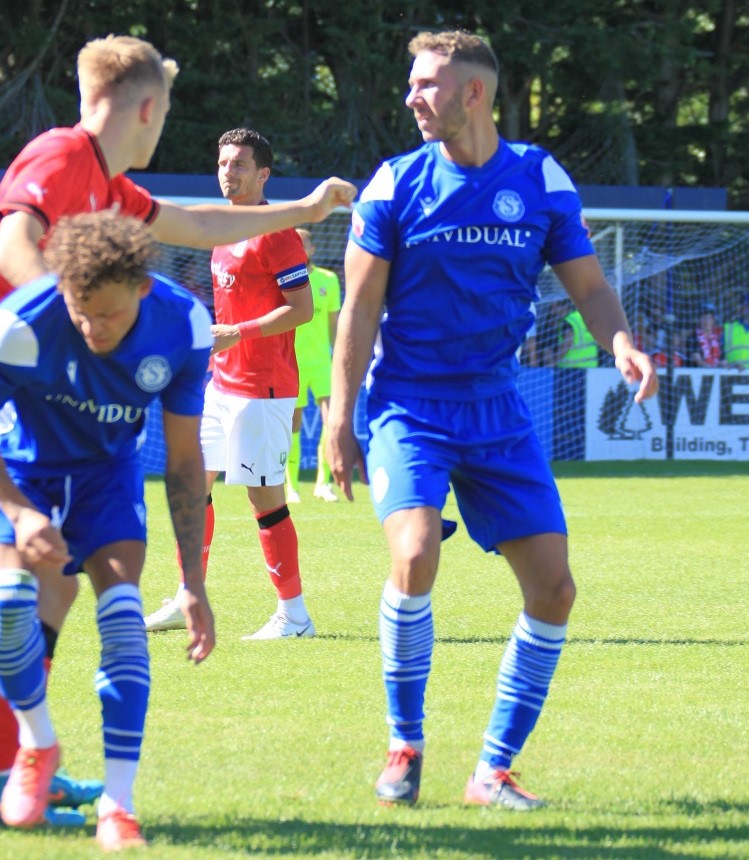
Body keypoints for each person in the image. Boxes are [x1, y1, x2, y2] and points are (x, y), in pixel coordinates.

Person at [0, 34, 355, 829]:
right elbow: (15, 242)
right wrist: (72, 330)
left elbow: (197, 222)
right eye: (168, 111)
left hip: (4, 378)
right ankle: (16, 765)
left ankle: (7, 772)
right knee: (21, 590)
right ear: (148, 108)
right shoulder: (61, 152)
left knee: (48, 589)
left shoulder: (107, 181)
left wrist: (309, 208)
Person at [326, 29, 658, 811]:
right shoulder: (391, 185)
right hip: (409, 404)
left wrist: (619, 342)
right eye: (411, 83)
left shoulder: (538, 178)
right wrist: (340, 416)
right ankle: (403, 747)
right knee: (412, 554)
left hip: (498, 410)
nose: (412, 96)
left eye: (427, 83)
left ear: (473, 92)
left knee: (553, 590)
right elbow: (357, 310)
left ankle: (491, 772)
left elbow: (587, 284)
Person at [0, 210, 215, 851]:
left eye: (109, 315)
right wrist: (18, 510)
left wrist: (193, 583)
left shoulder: (184, 326)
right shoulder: (22, 323)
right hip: (18, 471)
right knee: (8, 608)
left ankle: (119, 806)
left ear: (144, 290)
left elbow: (181, 461)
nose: (92, 327)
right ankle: (38, 744)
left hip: (105, 477)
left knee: (122, 616)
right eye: (80, 312)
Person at [145, 128, 317, 640]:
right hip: (222, 385)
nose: (228, 172)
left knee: (265, 501)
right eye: (223, 163)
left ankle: (295, 615)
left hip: (263, 388)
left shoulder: (277, 232)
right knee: (190, 487)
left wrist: (235, 333)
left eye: (240, 164)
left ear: (264, 174)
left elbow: (302, 310)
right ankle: (186, 596)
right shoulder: (223, 229)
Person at [284, 227, 342, 504]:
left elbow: (334, 327)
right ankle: (291, 487)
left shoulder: (328, 280)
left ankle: (323, 483)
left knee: (332, 422)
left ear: (312, 249)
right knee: (293, 425)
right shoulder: (282, 279)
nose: (300, 248)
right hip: (292, 364)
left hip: (322, 363)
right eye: (295, 243)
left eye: (304, 243)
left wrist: (342, 359)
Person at [687, 303, 723, 367]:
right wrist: (708, 368)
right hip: (695, 375)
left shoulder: (717, 338)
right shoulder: (693, 338)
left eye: (709, 318)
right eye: (703, 318)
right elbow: (697, 359)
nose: (706, 321)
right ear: (699, 320)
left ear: (713, 320)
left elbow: (722, 359)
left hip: (716, 375)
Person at [723, 293, 749, 369]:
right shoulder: (728, 327)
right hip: (731, 376)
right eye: (747, 306)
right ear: (741, 308)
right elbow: (719, 355)